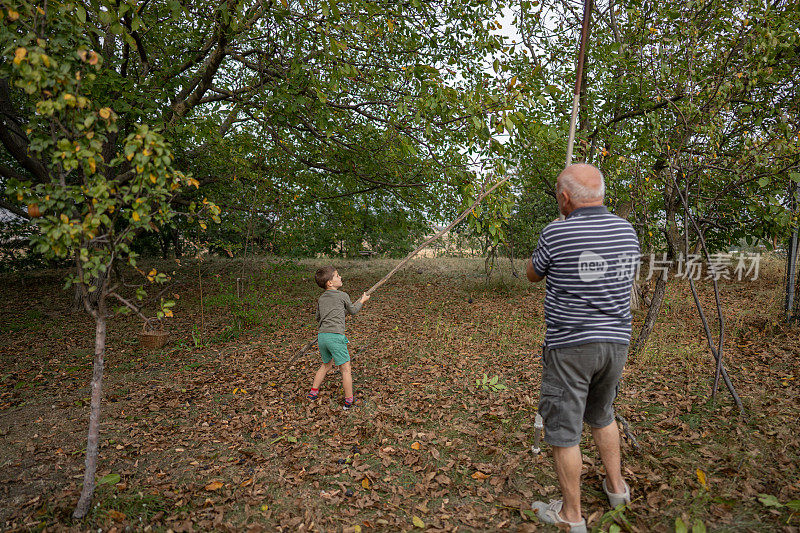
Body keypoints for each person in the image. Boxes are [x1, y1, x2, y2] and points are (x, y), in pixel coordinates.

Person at [525, 163, 640, 533]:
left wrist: (552, 236)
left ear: (565, 197)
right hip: (616, 342)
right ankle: (617, 489)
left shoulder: (556, 233)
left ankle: (571, 516)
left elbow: (532, 273)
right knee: (602, 414)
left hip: (571, 345)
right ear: (601, 193)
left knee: (564, 431)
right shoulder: (626, 231)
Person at [307, 266, 369, 410]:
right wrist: (362, 300)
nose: (340, 277)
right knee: (345, 368)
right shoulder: (343, 295)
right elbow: (353, 310)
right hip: (335, 337)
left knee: (326, 365)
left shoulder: (321, 299)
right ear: (330, 283)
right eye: (337, 275)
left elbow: (318, 317)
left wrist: (335, 312)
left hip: (322, 337)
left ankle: (313, 393)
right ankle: (349, 401)